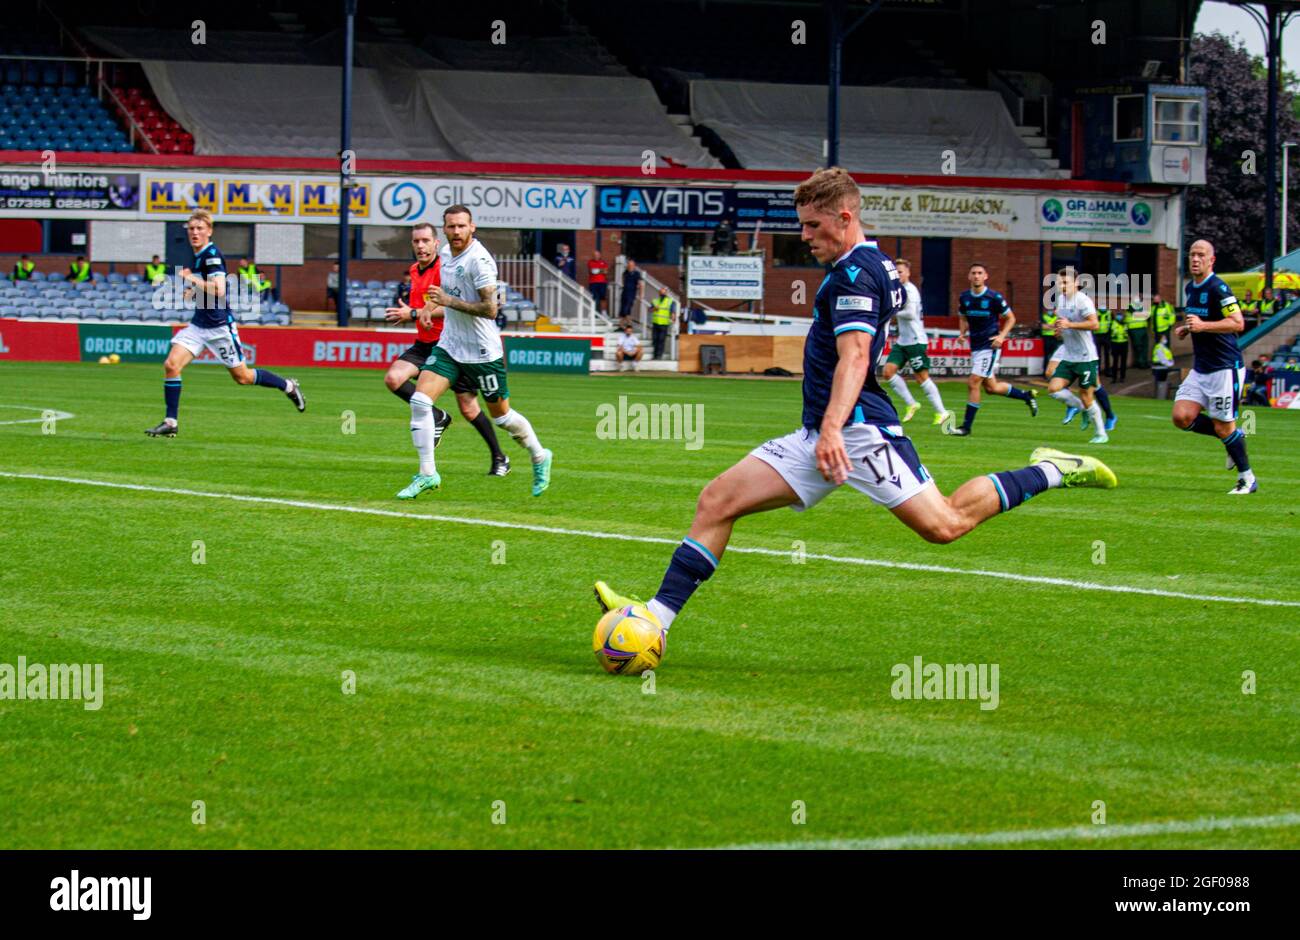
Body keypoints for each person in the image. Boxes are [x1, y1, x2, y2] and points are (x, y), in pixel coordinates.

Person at [592, 167, 1116, 636]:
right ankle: (654, 620)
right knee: (717, 501)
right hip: (823, 431)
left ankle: (1052, 470)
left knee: (946, 525)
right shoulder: (876, 263)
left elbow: (857, 354)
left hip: (859, 432)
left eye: (812, 226)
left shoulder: (855, 274)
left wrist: (837, 428)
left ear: (844, 217)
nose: (804, 237)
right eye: (801, 226)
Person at [396, 205, 552, 499]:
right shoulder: (445, 255)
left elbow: (490, 309)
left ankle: (539, 456)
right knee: (419, 400)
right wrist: (428, 308)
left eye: (461, 226)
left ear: (472, 228)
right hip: (451, 347)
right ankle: (428, 474)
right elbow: (443, 288)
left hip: (482, 352)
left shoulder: (480, 262)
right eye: (451, 226)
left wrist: (447, 303)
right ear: (444, 229)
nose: (456, 231)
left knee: (502, 418)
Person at [145, 210, 305, 437]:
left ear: (209, 231)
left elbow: (219, 289)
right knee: (172, 365)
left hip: (219, 327)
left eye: (200, 228)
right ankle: (171, 423)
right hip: (199, 325)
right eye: (191, 229)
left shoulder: (211, 255)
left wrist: (190, 279)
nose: (195, 232)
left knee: (243, 377)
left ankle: (288, 386)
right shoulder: (199, 255)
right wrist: (193, 291)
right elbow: (208, 288)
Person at [383, 222, 510, 478]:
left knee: (469, 408)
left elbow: (451, 305)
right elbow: (428, 306)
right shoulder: (414, 271)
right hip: (425, 344)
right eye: (416, 241)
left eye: (425, 241)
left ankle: (500, 457)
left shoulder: (445, 268)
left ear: (435, 243)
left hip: (452, 345)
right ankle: (436, 415)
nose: (420, 246)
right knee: (394, 378)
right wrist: (418, 313)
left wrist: (415, 313)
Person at [1171, 239, 1255, 495]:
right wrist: (1188, 328)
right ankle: (1232, 438)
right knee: (1181, 417)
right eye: (1192, 255)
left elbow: (1237, 323)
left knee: (1222, 426)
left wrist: (1203, 326)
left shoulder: (1219, 288)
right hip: (1202, 367)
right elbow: (1200, 320)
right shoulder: (1189, 287)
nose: (1195, 259)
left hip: (1224, 367)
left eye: (1201, 255)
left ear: (1211, 260)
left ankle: (1247, 479)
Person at [945, 262, 1038, 436]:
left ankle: (966, 427)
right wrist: (962, 333)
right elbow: (963, 316)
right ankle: (1026, 396)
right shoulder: (965, 297)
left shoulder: (993, 297)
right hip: (975, 346)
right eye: (973, 273)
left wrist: (1002, 336)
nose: (976, 276)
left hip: (990, 346)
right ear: (969, 276)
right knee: (991, 388)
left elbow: (1011, 318)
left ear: (986, 276)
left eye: (980, 273)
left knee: (973, 382)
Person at [880, 258, 949, 425]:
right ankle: (911, 404)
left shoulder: (910, 291)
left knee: (921, 377)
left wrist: (890, 312)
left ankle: (941, 411)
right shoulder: (898, 290)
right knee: (888, 372)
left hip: (915, 340)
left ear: (908, 273)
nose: (898, 275)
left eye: (901, 272)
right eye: (895, 272)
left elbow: (910, 314)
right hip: (903, 341)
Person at [1044, 268, 1107, 444]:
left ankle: (1101, 433)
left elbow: (1095, 324)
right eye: (1059, 282)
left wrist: (1069, 324)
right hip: (1069, 356)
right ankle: (1082, 409)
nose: (1062, 286)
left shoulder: (1083, 301)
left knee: (1087, 395)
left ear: (1076, 283)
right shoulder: (1061, 301)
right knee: (1053, 388)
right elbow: (1063, 326)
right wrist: (1059, 331)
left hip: (1086, 357)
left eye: (1066, 282)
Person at [650, 286, 676, 359]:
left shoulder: (670, 301)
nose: (662, 292)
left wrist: (673, 319)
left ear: (666, 292)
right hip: (655, 323)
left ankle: (658, 356)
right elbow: (650, 310)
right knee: (655, 339)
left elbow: (673, 312)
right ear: (659, 293)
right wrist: (654, 308)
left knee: (661, 340)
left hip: (664, 324)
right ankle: (655, 354)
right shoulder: (655, 300)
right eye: (661, 291)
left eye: (663, 291)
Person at [1126, 295, 1151, 368]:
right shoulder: (1130, 306)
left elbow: (1148, 315)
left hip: (1143, 328)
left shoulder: (1143, 306)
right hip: (1134, 329)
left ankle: (1144, 362)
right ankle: (1140, 363)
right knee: (1138, 347)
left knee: (1145, 346)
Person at [618, 258, 643, 327]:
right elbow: (623, 281)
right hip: (624, 293)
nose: (630, 266)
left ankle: (630, 324)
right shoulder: (625, 272)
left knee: (626, 310)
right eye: (629, 264)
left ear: (634, 266)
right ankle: (621, 325)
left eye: (631, 265)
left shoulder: (637, 274)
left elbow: (640, 284)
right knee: (623, 310)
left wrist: (641, 294)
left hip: (631, 294)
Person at [1107, 308, 1129, 382]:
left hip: (1124, 344)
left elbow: (1126, 333)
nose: (1119, 317)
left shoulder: (1125, 323)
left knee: (1123, 362)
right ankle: (1114, 378)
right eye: (1118, 315)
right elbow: (1110, 334)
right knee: (1115, 362)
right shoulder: (1113, 323)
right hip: (1115, 344)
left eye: (1120, 315)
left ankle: (1122, 377)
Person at [587, 248, 609, 314]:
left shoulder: (604, 262)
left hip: (602, 283)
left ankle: (604, 313)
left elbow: (606, 272)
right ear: (593, 256)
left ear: (600, 255)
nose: (596, 256)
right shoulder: (590, 262)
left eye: (597, 255)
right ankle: (591, 313)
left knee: (603, 297)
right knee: (592, 297)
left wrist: (598, 270)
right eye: (595, 255)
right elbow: (592, 271)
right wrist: (602, 270)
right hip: (593, 283)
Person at [1095, 302, 1112, 377]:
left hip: (1106, 335)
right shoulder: (1095, 313)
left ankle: (1107, 371)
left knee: (1107, 354)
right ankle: (1097, 372)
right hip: (1097, 336)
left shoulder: (1109, 313)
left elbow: (1111, 323)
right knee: (1097, 355)